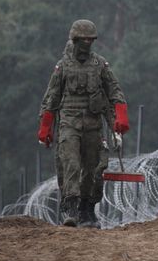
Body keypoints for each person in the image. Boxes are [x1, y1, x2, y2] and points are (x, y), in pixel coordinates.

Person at [37, 20, 129, 228]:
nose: (87, 43)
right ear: (75, 40)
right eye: (83, 39)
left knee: (92, 169)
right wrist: (45, 126)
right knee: (70, 163)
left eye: (90, 39)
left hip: (93, 124)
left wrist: (119, 118)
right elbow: (51, 97)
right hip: (69, 123)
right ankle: (70, 207)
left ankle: (87, 208)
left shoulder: (99, 65)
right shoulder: (63, 67)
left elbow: (114, 90)